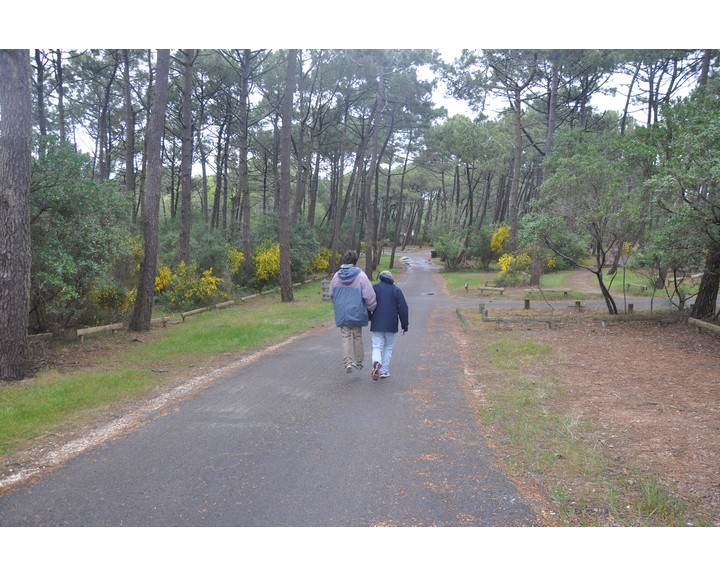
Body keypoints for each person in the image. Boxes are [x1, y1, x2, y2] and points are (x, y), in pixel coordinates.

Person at [329, 250, 377, 374]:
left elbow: (331, 294)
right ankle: (359, 361)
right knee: (357, 336)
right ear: (355, 261)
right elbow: (369, 295)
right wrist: (372, 308)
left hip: (342, 312)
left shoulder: (336, 276)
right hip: (357, 311)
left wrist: (338, 306)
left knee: (345, 337)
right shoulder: (361, 276)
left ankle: (347, 363)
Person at [370, 270, 409, 380]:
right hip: (391, 324)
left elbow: (368, 303)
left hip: (377, 323)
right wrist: (404, 326)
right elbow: (403, 309)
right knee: (388, 347)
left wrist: (369, 317)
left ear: (381, 277)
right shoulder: (396, 290)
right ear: (391, 278)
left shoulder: (374, 288)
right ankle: (384, 371)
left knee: (377, 346)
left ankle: (377, 362)